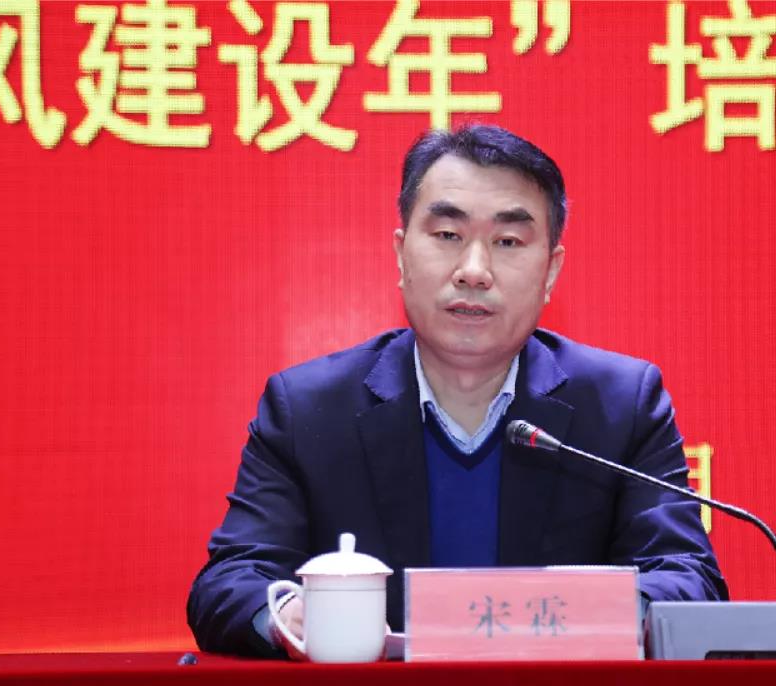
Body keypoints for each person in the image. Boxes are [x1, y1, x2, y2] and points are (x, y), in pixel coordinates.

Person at [187, 124, 727, 658]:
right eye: (448, 235)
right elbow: (230, 581)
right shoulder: (308, 409)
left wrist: (593, 617)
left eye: (508, 242)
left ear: (550, 272)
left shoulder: (621, 405)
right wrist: (290, 616)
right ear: (401, 254)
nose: (473, 271)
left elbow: (688, 576)